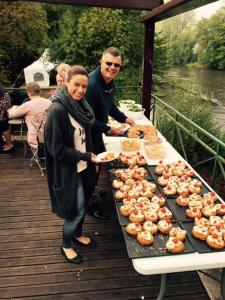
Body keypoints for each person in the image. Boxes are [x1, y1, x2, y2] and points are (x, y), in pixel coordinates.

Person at [44, 65, 97, 264]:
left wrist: (92, 158)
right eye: (76, 85)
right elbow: (54, 148)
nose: (81, 90)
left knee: (83, 206)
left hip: (84, 167)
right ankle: (66, 245)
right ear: (66, 83)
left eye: (84, 86)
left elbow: (85, 136)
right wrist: (84, 156)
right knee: (75, 211)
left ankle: (77, 234)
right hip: (68, 171)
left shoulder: (81, 104)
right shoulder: (57, 110)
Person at [85, 47, 135, 219]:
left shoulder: (110, 82)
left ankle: (94, 191)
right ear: (101, 62)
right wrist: (108, 129)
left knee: (97, 167)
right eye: (109, 63)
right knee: (91, 169)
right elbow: (86, 119)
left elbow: (110, 106)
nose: (113, 67)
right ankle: (89, 205)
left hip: (97, 132)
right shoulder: (91, 85)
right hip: (85, 135)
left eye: (117, 65)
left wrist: (125, 118)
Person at [8, 82, 51, 148]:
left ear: (28, 93)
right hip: (51, 137)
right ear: (39, 91)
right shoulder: (49, 102)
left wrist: (14, 107)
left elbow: (10, 115)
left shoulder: (28, 105)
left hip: (36, 140)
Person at [0, 85, 14, 153]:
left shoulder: (4, 96)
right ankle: (7, 144)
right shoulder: (5, 95)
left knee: (5, 128)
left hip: (3, 114)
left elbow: (4, 107)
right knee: (5, 128)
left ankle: (9, 145)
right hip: (5, 113)